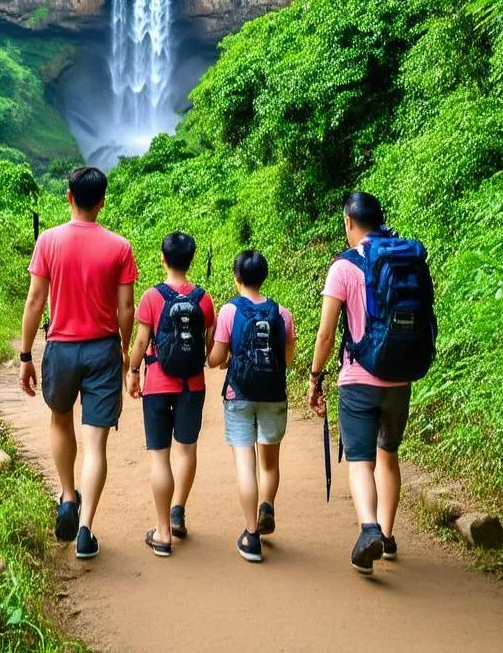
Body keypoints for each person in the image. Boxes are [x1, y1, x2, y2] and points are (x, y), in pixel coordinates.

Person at [19, 166, 137, 560]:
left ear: (68, 196)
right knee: (96, 443)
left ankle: (67, 495)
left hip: (61, 348)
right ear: (102, 201)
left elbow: (35, 301)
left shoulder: (48, 241)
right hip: (103, 349)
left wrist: (24, 355)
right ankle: (86, 530)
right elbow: (125, 307)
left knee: (60, 418)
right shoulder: (119, 247)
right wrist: (123, 350)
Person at [307, 191, 412, 575]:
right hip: (400, 377)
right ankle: (387, 534)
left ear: (349, 222)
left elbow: (326, 335)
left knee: (360, 461)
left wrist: (315, 377)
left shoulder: (344, 267)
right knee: (389, 454)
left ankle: (368, 527)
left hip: (358, 380)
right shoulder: (405, 259)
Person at [127, 232, 216, 557]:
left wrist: (133, 371)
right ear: (190, 260)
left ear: (162, 258)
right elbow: (208, 348)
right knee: (186, 450)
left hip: (158, 386)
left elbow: (140, 342)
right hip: (192, 386)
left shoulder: (152, 297)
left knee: (160, 457)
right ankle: (178, 509)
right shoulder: (204, 300)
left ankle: (162, 532)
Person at [208, 250, 296, 563]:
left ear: (237, 278)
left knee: (246, 465)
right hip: (273, 394)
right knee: (269, 464)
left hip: (239, 395)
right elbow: (286, 359)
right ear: (264, 276)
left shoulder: (230, 311)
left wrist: (230, 357)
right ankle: (266, 506)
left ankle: (251, 535)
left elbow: (215, 358)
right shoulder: (282, 314)